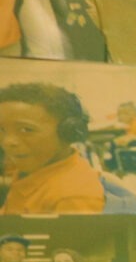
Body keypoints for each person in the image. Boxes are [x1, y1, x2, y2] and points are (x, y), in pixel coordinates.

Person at [0, 80, 106, 214]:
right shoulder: (36, 166)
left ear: (68, 133)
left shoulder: (71, 197)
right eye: (1, 130)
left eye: (26, 130)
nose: (8, 142)